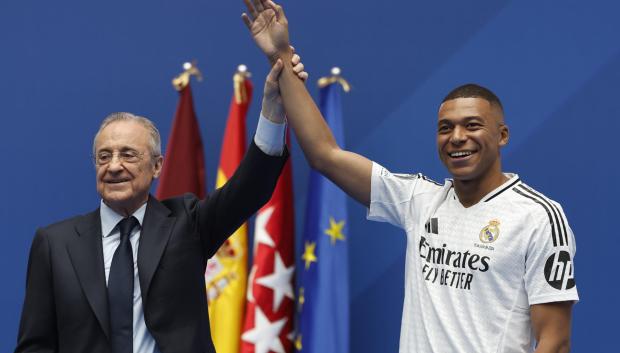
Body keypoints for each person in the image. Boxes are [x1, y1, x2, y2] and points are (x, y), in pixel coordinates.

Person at [242, 1, 578, 352]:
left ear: (502, 135)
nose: (457, 137)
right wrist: (279, 53)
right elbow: (325, 155)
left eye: (472, 125)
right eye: (445, 128)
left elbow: (555, 340)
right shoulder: (420, 200)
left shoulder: (538, 218)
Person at [15, 57, 308, 353]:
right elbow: (35, 345)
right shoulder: (55, 243)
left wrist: (273, 108)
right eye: (104, 156)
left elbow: (249, 189)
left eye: (128, 155)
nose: (113, 166)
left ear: (157, 166)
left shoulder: (188, 224)